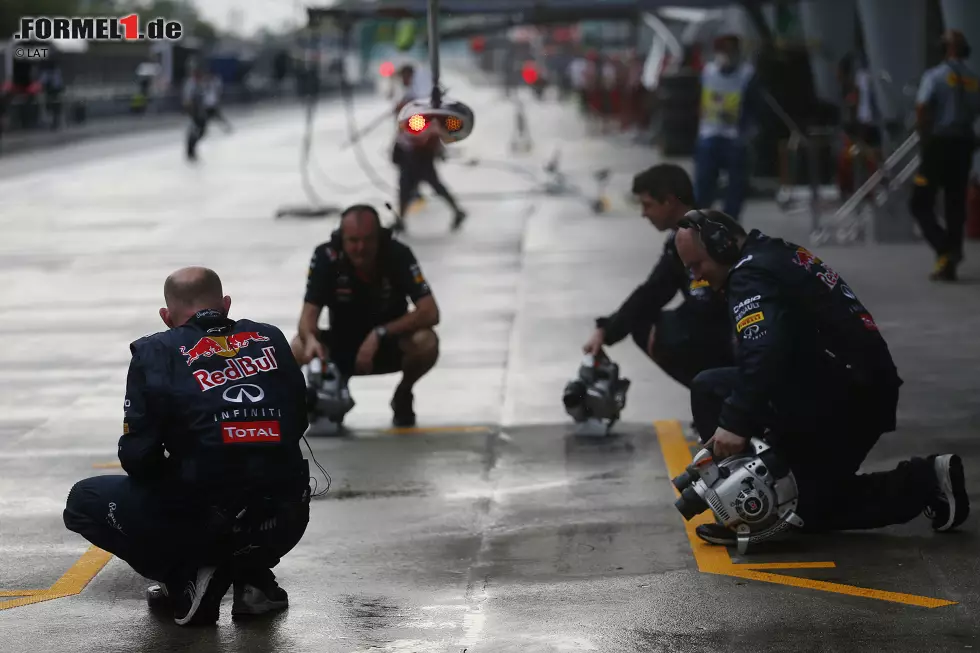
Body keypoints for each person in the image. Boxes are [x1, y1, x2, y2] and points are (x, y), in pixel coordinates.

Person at [673, 209, 969, 547]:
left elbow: (765, 350)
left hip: (845, 399)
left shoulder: (750, 276)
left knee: (800, 512)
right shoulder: (771, 253)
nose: (696, 277)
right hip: (840, 386)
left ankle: (923, 481)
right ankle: (764, 492)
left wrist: (736, 423)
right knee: (711, 387)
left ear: (722, 245)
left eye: (697, 265)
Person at [63, 267, 312, 625]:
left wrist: (181, 465)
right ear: (226, 305)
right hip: (285, 519)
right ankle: (255, 582)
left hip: (207, 521)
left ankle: (184, 579)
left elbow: (138, 458)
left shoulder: (156, 351)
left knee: (82, 502)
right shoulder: (271, 338)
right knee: (257, 475)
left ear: (166, 317)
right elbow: (297, 421)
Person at [583, 164, 733, 389]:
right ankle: (713, 397)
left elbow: (714, 305)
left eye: (647, 205)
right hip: (716, 330)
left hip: (734, 335)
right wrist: (607, 329)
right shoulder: (681, 239)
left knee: (663, 331)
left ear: (669, 201)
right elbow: (654, 290)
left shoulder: (706, 238)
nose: (644, 214)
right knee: (646, 322)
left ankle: (721, 401)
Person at [291, 205, 440, 427]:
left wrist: (379, 334)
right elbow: (307, 317)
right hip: (341, 347)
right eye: (353, 241)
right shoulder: (326, 256)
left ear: (379, 237)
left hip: (389, 345)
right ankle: (331, 396)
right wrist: (311, 340)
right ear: (341, 239)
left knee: (427, 341)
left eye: (368, 240)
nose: (360, 248)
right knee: (297, 346)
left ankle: (403, 393)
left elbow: (430, 311)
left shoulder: (398, 254)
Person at [909, 30, 980, 282]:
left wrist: (924, 137)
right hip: (964, 144)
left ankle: (944, 249)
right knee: (955, 203)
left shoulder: (935, 75)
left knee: (919, 201)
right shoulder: (974, 79)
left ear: (947, 48)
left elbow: (922, 107)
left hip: (939, 143)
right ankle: (951, 258)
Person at [693, 34, 763, 222]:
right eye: (724, 52)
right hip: (709, 134)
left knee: (736, 185)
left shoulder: (747, 75)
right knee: (703, 183)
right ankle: (700, 222)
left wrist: (749, 131)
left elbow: (755, 106)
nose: (727, 56)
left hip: (735, 138)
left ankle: (729, 223)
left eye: (731, 52)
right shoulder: (708, 72)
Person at [392, 64, 466, 232]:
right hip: (410, 149)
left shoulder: (420, 97)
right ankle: (401, 220)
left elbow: (428, 124)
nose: (403, 80)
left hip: (419, 152)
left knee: (428, 184)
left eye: (405, 76)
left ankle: (457, 211)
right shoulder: (410, 95)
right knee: (408, 185)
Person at [182, 69, 208, 160]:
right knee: (194, 130)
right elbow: (188, 98)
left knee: (201, 130)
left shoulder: (200, 84)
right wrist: (190, 110)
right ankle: (190, 151)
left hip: (199, 110)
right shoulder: (191, 84)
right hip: (193, 110)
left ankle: (192, 148)